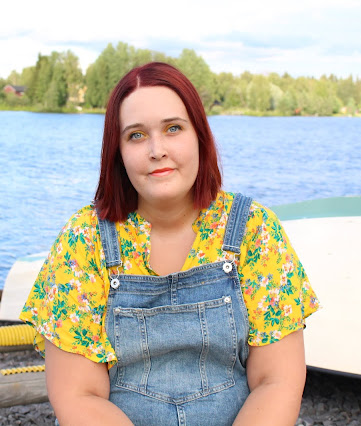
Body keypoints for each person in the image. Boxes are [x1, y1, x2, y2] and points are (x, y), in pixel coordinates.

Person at [20, 62, 320, 425]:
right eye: (136, 135)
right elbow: (78, 395)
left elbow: (277, 382)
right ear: (117, 153)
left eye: (173, 128)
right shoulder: (85, 239)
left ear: (200, 136)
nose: (156, 149)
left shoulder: (254, 230)